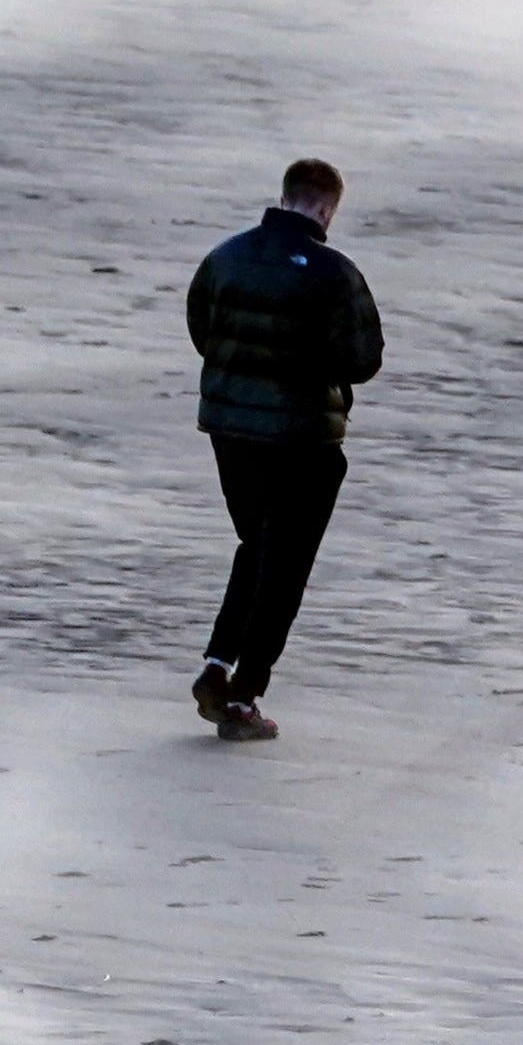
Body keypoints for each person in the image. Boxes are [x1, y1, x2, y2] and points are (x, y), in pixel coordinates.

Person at [185, 158, 383, 740]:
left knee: (257, 543)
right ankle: (244, 696)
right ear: (327, 209)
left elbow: (203, 331)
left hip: (229, 427)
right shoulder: (335, 273)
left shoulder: (223, 257)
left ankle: (219, 666)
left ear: (285, 195)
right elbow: (363, 360)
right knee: (286, 564)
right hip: (304, 437)